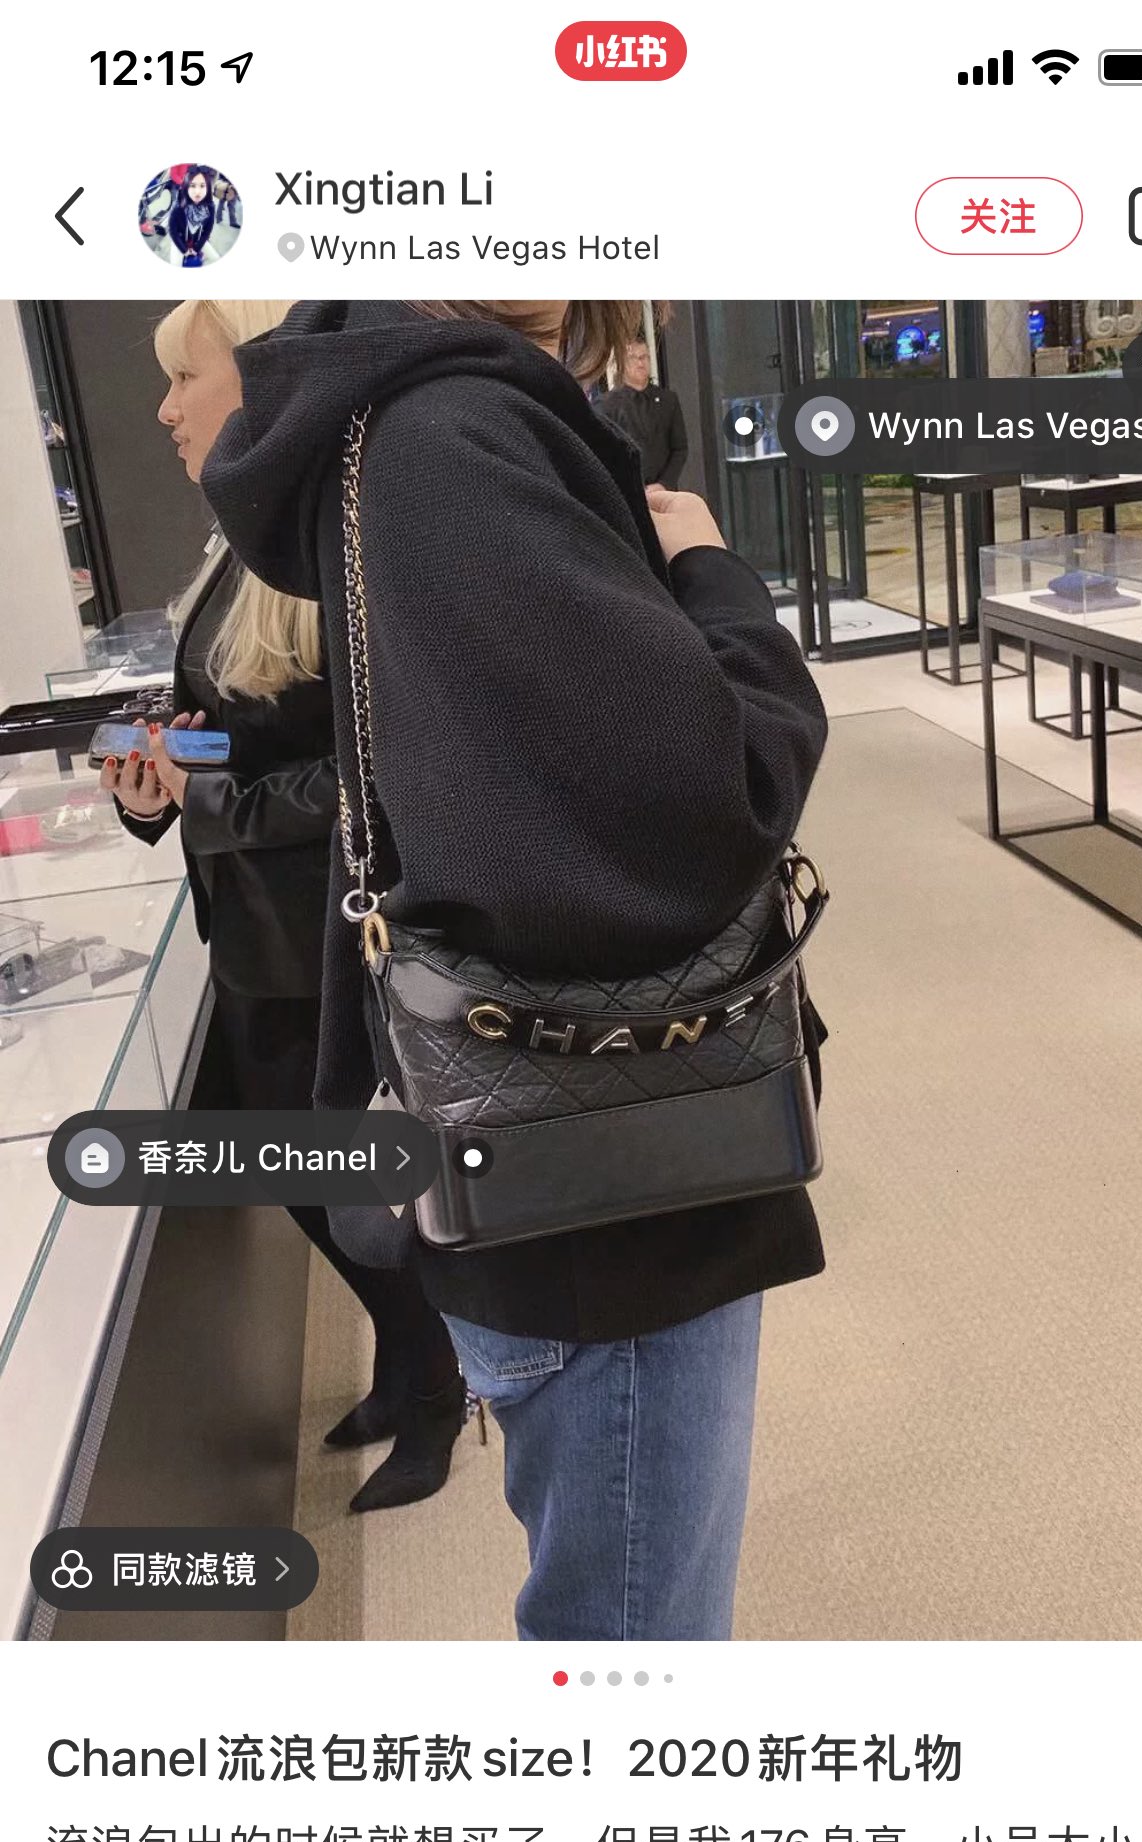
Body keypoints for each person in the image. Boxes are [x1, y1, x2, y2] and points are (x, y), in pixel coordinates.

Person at [205, 298, 828, 1641]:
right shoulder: (458, 437)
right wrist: (715, 576)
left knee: (615, 1603)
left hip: (551, 1146)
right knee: (633, 1642)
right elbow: (707, 796)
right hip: (613, 1190)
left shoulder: (393, 432)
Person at [101, 295, 465, 1512]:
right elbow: (252, 738)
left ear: (262, 376)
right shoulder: (241, 543)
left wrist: (207, 800)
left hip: (328, 934)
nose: (165, 409)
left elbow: (376, 766)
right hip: (260, 930)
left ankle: (434, 1381)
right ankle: (415, 1368)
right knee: (306, 1180)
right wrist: (161, 781)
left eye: (185, 378)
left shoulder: (335, 548)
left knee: (340, 1181)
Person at [593, 329, 688, 485]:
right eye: (633, 358)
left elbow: (680, 448)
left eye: (644, 357)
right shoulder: (605, 406)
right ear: (621, 363)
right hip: (627, 490)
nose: (640, 363)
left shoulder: (668, 400)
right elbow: (603, 454)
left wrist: (664, 484)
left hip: (664, 490)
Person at [168, 172, 217, 269]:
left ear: (208, 188)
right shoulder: (178, 207)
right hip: (180, 240)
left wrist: (197, 248)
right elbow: (172, 231)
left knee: (216, 258)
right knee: (175, 264)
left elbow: (207, 231)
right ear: (186, 187)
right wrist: (184, 250)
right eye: (192, 186)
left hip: (198, 240)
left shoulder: (210, 207)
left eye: (202, 186)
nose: (197, 192)